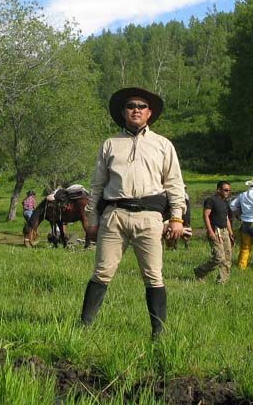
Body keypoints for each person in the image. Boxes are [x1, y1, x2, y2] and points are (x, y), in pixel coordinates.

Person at [80, 87, 186, 338]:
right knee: (101, 272)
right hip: (114, 216)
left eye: (141, 106)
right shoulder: (110, 144)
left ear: (149, 113)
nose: (135, 110)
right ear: (123, 112)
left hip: (149, 218)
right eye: (130, 106)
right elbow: (97, 185)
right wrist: (92, 217)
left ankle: (158, 334)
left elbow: (174, 183)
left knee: (153, 275)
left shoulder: (163, 145)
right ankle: (83, 327)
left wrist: (177, 217)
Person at [194, 181, 234, 284]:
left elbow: (226, 218)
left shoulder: (225, 202)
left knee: (228, 258)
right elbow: (206, 215)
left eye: (229, 190)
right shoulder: (210, 200)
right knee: (219, 257)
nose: (227, 192)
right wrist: (210, 231)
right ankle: (200, 272)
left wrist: (230, 232)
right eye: (225, 190)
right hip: (216, 231)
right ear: (219, 190)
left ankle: (222, 282)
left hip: (225, 232)